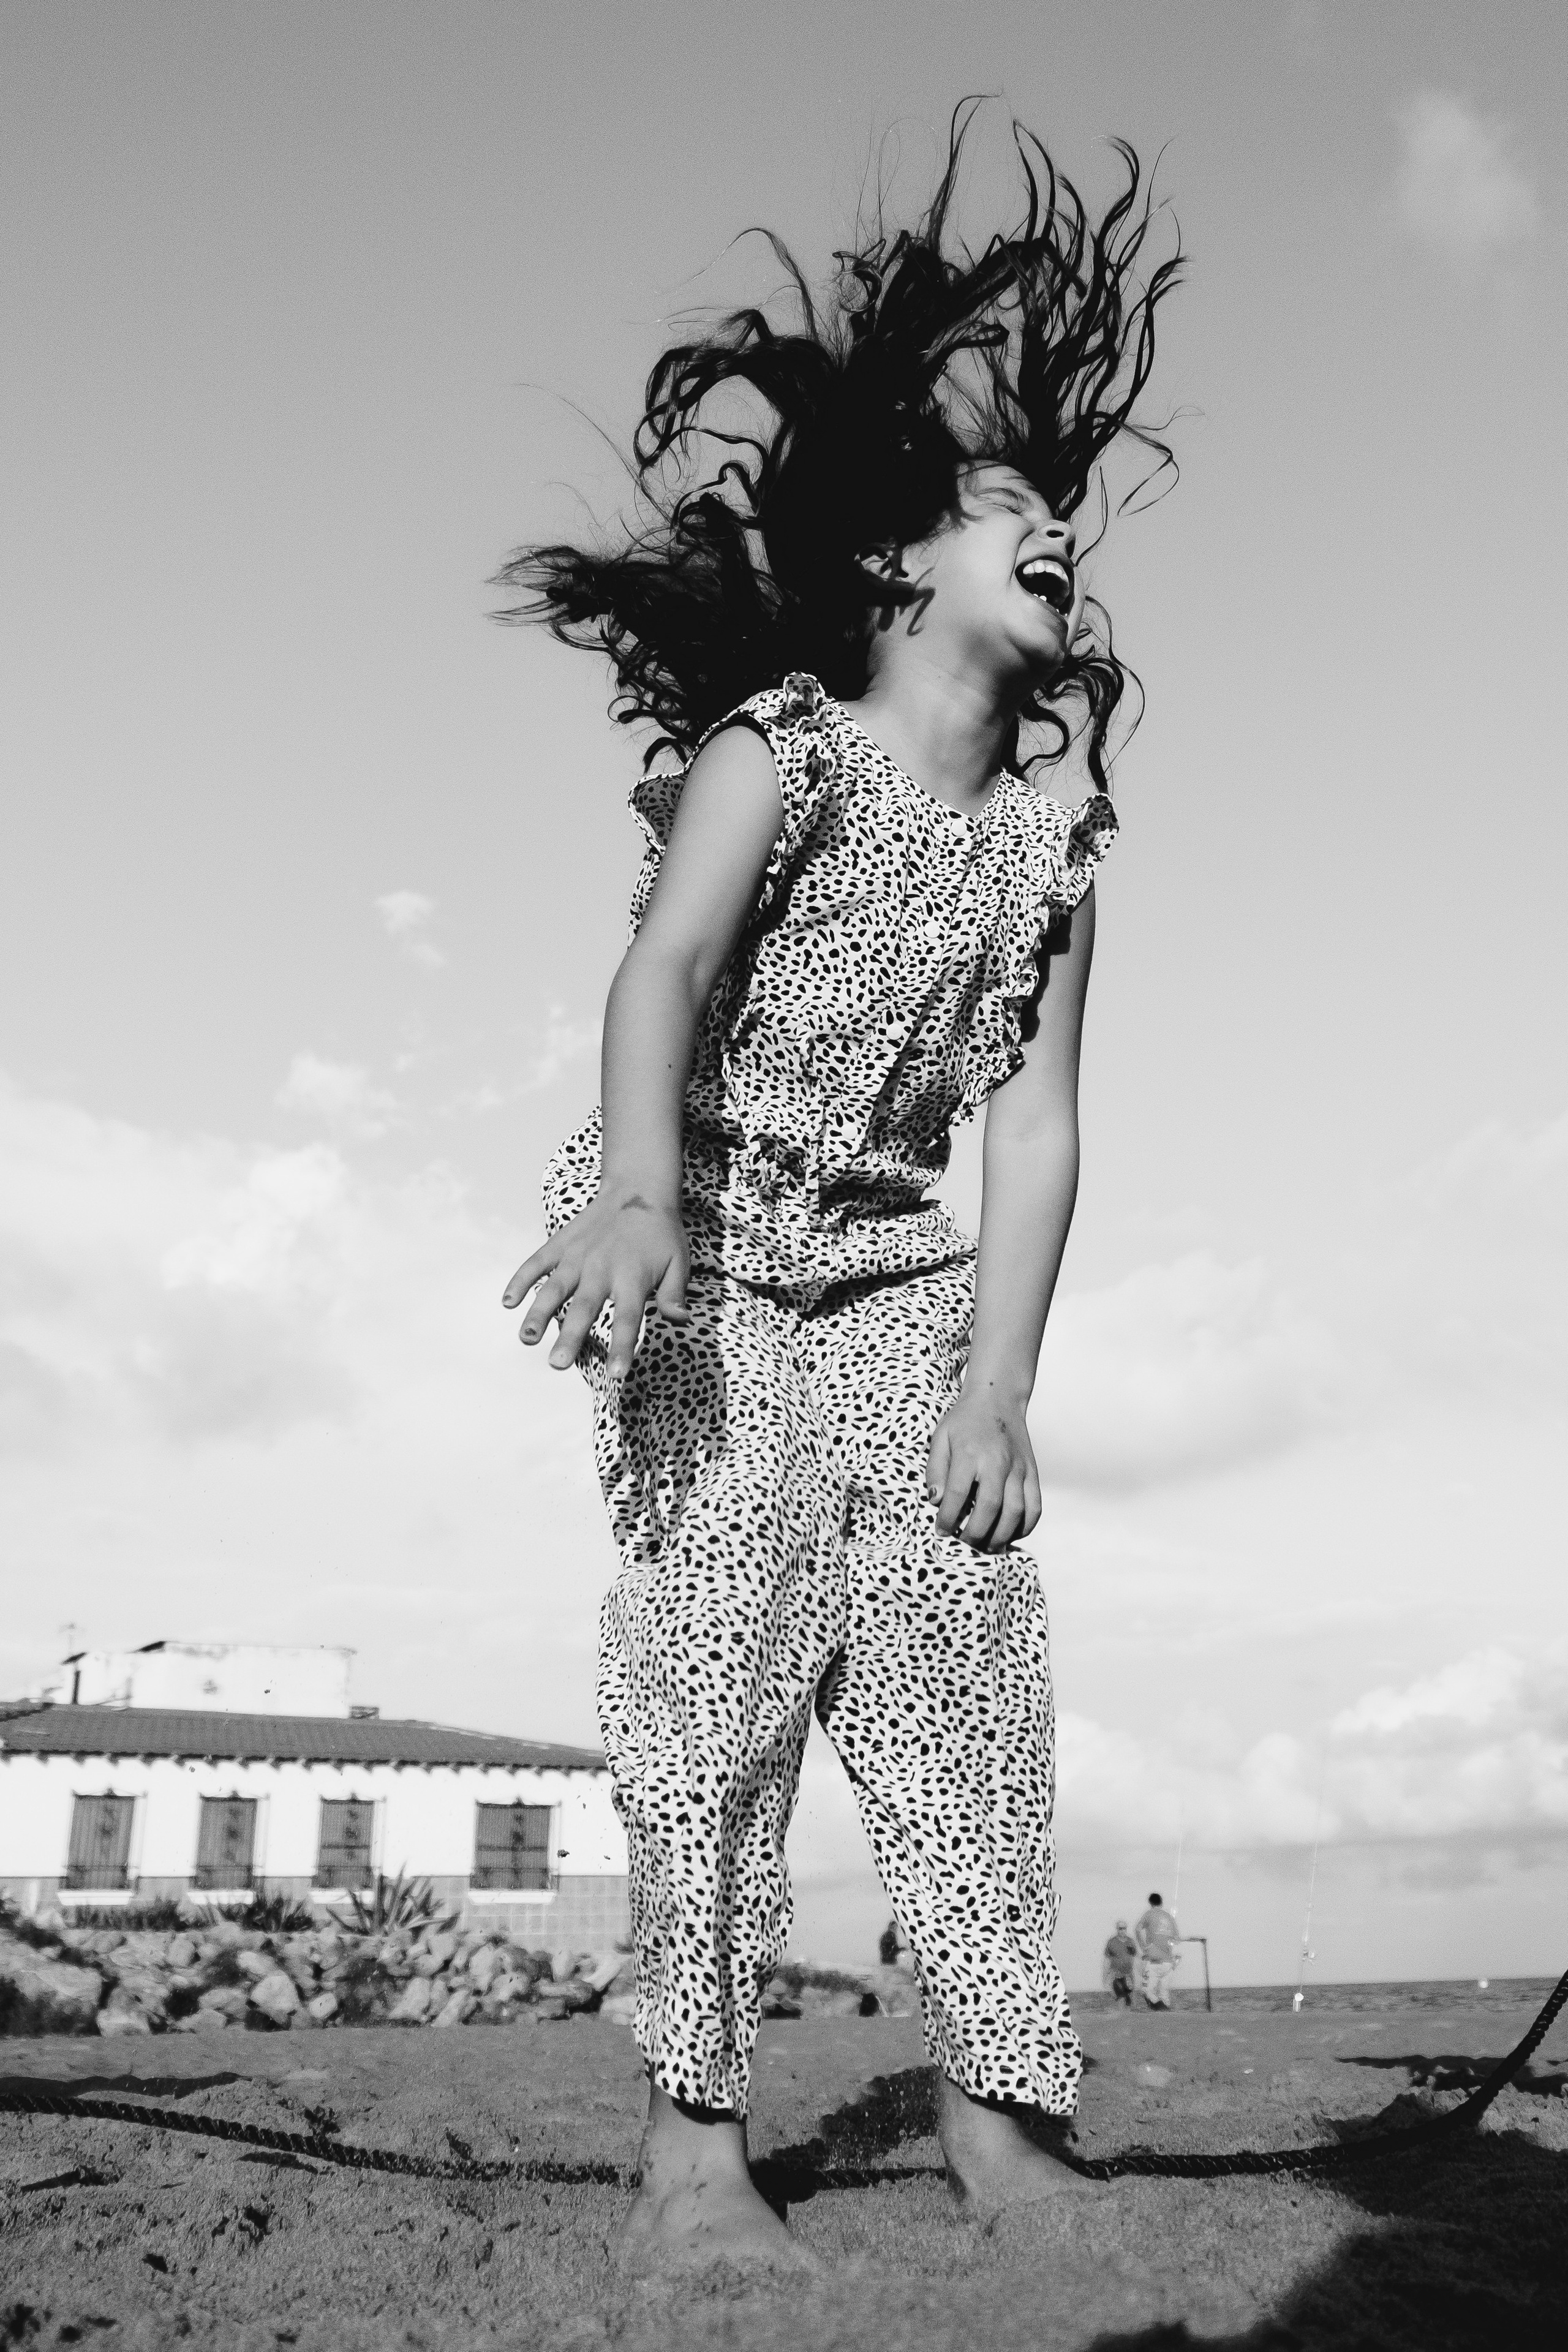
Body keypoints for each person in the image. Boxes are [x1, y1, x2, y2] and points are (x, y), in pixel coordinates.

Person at [501, 109, 1180, 2269]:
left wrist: (997, 1392)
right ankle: (694, 2151)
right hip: (696, 1228)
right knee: (714, 1650)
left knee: (963, 1653)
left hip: (895, 1273)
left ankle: (1000, 2114)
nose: (1052, 525)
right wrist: (630, 1199)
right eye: (1005, 504)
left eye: (1062, 506)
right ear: (901, 565)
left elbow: (1040, 1132)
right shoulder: (779, 751)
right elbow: (667, 969)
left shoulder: (1054, 844)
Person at [1136, 1891, 1181, 2008]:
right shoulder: (1169, 1917)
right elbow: (1176, 1939)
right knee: (1164, 1995)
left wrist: (1144, 1946)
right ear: (1161, 1903)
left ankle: (1158, 2012)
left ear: (1150, 1903)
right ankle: (1164, 2013)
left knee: (1147, 1992)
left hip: (1154, 1960)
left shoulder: (1149, 1914)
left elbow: (1138, 1929)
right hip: (1167, 1962)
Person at [1103, 1919, 1138, 2008]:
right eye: (1120, 1929)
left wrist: (1139, 1974)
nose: (1122, 1931)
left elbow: (1135, 1957)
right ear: (1117, 1929)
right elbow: (1107, 1959)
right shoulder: (1112, 1942)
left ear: (1126, 1929)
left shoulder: (1131, 1942)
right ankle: (1119, 2015)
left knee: (1131, 1996)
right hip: (1117, 1974)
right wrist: (1106, 1975)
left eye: (1124, 1928)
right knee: (1120, 1997)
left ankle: (1133, 2015)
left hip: (1128, 1974)